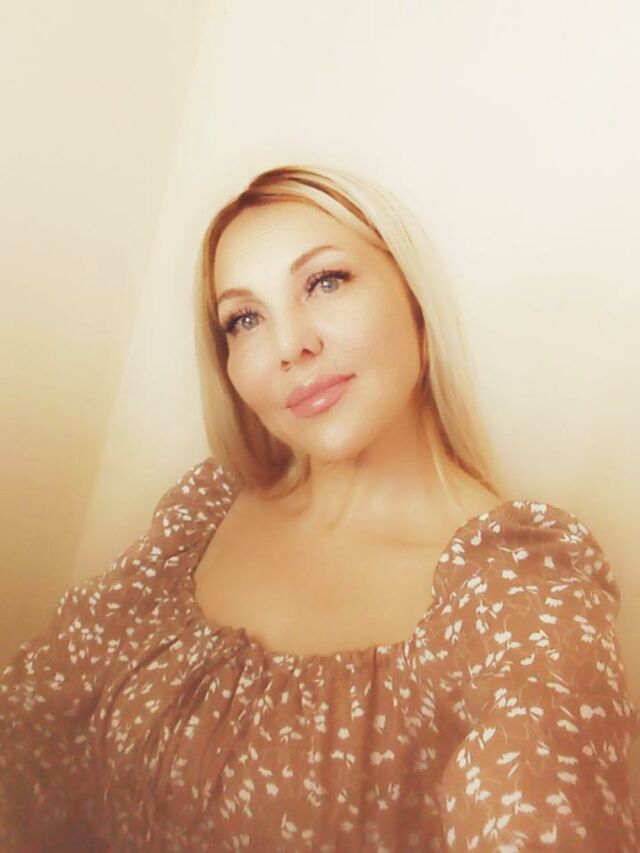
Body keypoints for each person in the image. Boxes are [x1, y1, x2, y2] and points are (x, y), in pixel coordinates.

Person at [0, 164, 637, 852]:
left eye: (325, 281)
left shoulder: (518, 586)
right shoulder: (203, 509)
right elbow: (33, 727)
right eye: (245, 318)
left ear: (416, 305)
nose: (289, 346)